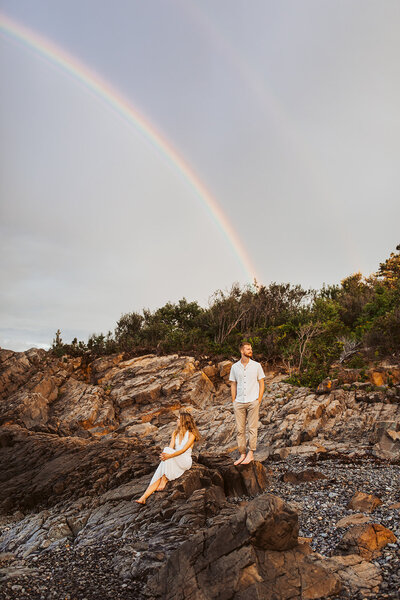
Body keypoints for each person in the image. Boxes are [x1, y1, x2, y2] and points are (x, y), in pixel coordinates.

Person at [135, 409, 200, 505]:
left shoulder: (191, 435)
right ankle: (144, 497)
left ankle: (164, 479)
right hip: (175, 457)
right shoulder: (175, 433)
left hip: (185, 460)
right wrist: (166, 456)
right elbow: (170, 447)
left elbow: (183, 450)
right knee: (161, 467)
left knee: (166, 455)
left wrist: (168, 456)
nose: (176, 420)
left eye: (178, 419)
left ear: (183, 421)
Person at [229, 342, 265, 465]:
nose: (250, 351)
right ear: (241, 351)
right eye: (248, 349)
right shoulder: (234, 367)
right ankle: (242, 454)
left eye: (251, 349)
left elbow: (261, 383)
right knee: (240, 430)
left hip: (253, 401)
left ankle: (251, 454)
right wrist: (233, 401)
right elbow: (233, 384)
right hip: (239, 402)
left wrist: (259, 400)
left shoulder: (256, 366)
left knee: (252, 428)